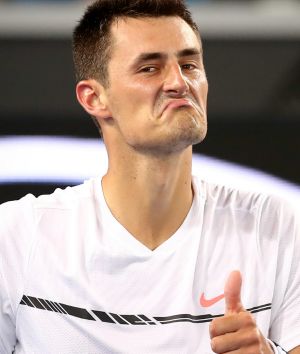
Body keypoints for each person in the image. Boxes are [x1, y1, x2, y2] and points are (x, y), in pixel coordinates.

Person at [0, 0, 299, 353]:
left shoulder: (279, 226)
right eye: (149, 68)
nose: (179, 82)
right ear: (94, 97)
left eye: (189, 64)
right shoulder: (17, 237)